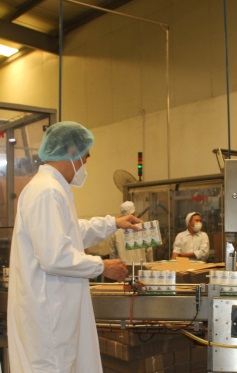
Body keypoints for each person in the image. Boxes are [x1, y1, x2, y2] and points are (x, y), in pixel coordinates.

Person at [7, 121, 143, 373]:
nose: (84, 166)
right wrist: (102, 266)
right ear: (71, 152)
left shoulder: (52, 188)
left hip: (55, 315)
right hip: (49, 321)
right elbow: (54, 256)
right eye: (85, 157)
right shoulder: (47, 191)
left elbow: (70, 232)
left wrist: (114, 222)